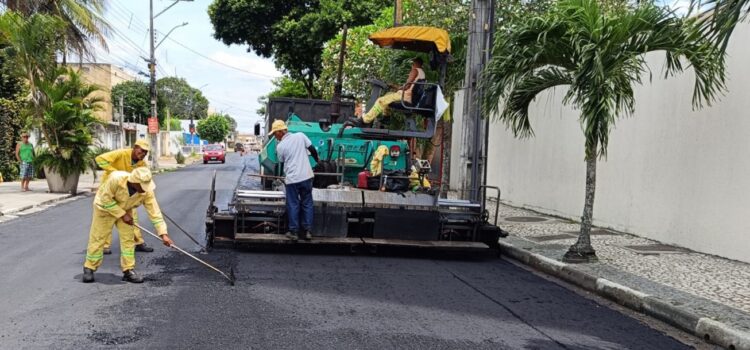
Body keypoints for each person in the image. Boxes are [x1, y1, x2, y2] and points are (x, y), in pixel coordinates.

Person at [82, 167, 173, 283]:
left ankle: (128, 270)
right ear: (134, 182)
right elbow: (105, 199)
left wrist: (163, 234)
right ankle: (89, 267)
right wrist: (122, 214)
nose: (144, 190)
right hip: (104, 209)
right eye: (142, 186)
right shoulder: (116, 179)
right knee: (98, 237)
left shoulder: (147, 191)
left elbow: (155, 212)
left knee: (128, 239)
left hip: (126, 210)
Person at [95, 140, 152, 255]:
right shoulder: (121, 153)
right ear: (135, 147)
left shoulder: (142, 164)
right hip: (111, 189)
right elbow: (100, 159)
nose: (143, 154)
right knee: (109, 216)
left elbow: (145, 178)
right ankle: (105, 245)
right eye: (142, 151)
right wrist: (114, 173)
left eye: (146, 152)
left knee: (132, 217)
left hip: (126, 192)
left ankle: (138, 242)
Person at [269, 120, 320, 241]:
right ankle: (307, 231)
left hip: (292, 179)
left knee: (293, 204)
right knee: (307, 202)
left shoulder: (280, 146)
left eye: (275, 134)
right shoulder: (300, 136)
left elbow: (281, 160)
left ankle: (294, 231)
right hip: (306, 176)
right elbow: (312, 149)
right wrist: (318, 160)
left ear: (280, 132)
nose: (274, 136)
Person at [361, 57, 425, 124]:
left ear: (415, 63)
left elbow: (406, 86)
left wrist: (396, 87)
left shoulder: (415, 70)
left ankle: (365, 120)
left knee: (381, 101)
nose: (412, 65)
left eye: (413, 63)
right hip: (410, 97)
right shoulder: (422, 73)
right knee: (388, 94)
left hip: (405, 96)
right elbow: (409, 86)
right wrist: (393, 86)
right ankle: (386, 117)